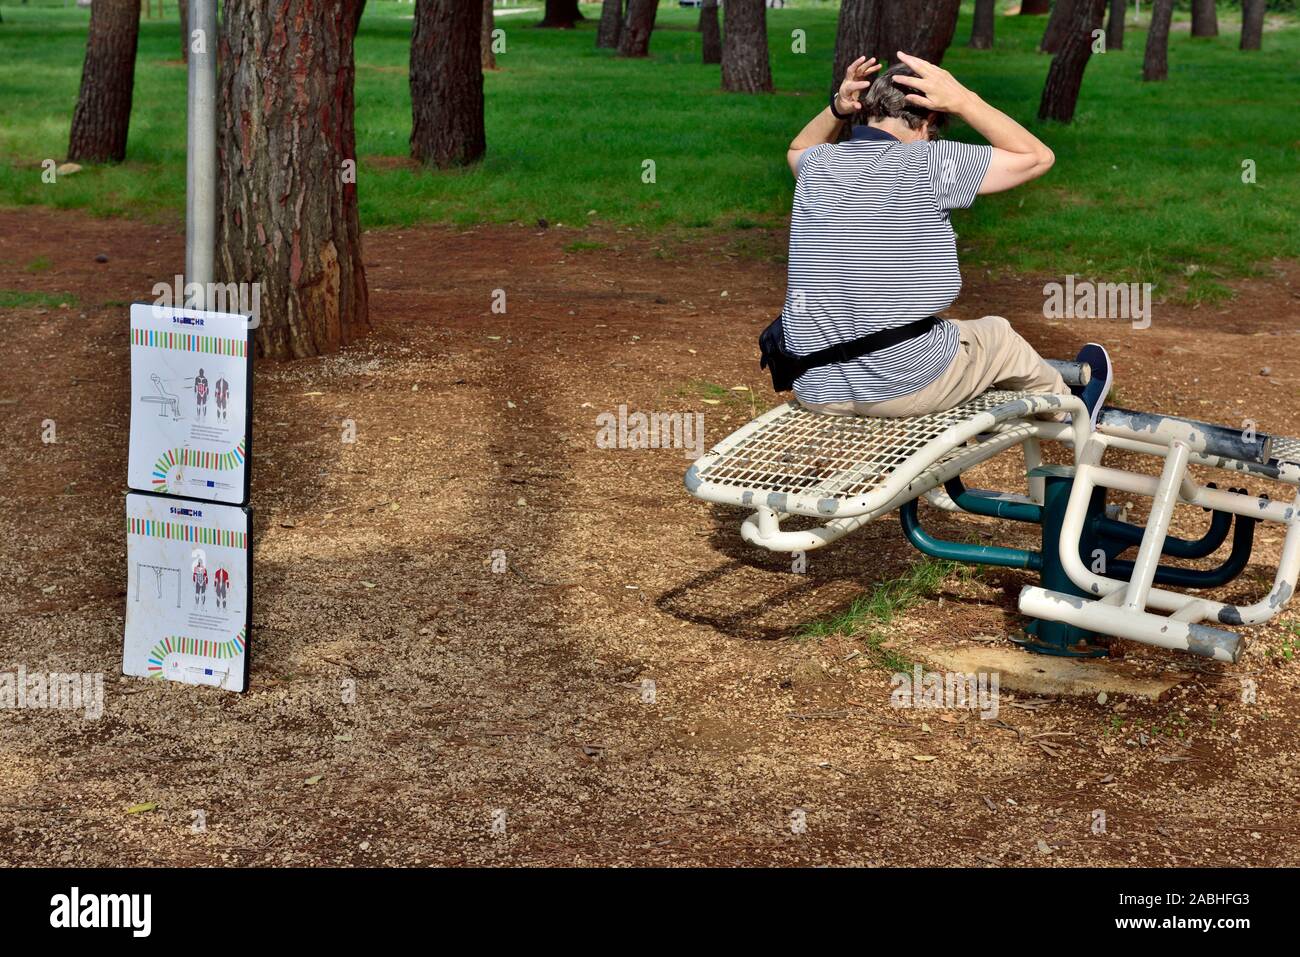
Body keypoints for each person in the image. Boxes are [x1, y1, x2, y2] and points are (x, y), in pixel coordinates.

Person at [777, 51, 1110, 423]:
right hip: (903, 384)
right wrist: (965, 100)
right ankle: (1073, 414)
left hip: (816, 384)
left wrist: (837, 107)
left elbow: (796, 148)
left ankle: (976, 401)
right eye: (933, 131)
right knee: (998, 338)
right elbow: (1037, 157)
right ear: (928, 121)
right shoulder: (929, 160)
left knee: (933, 331)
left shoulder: (819, 163)